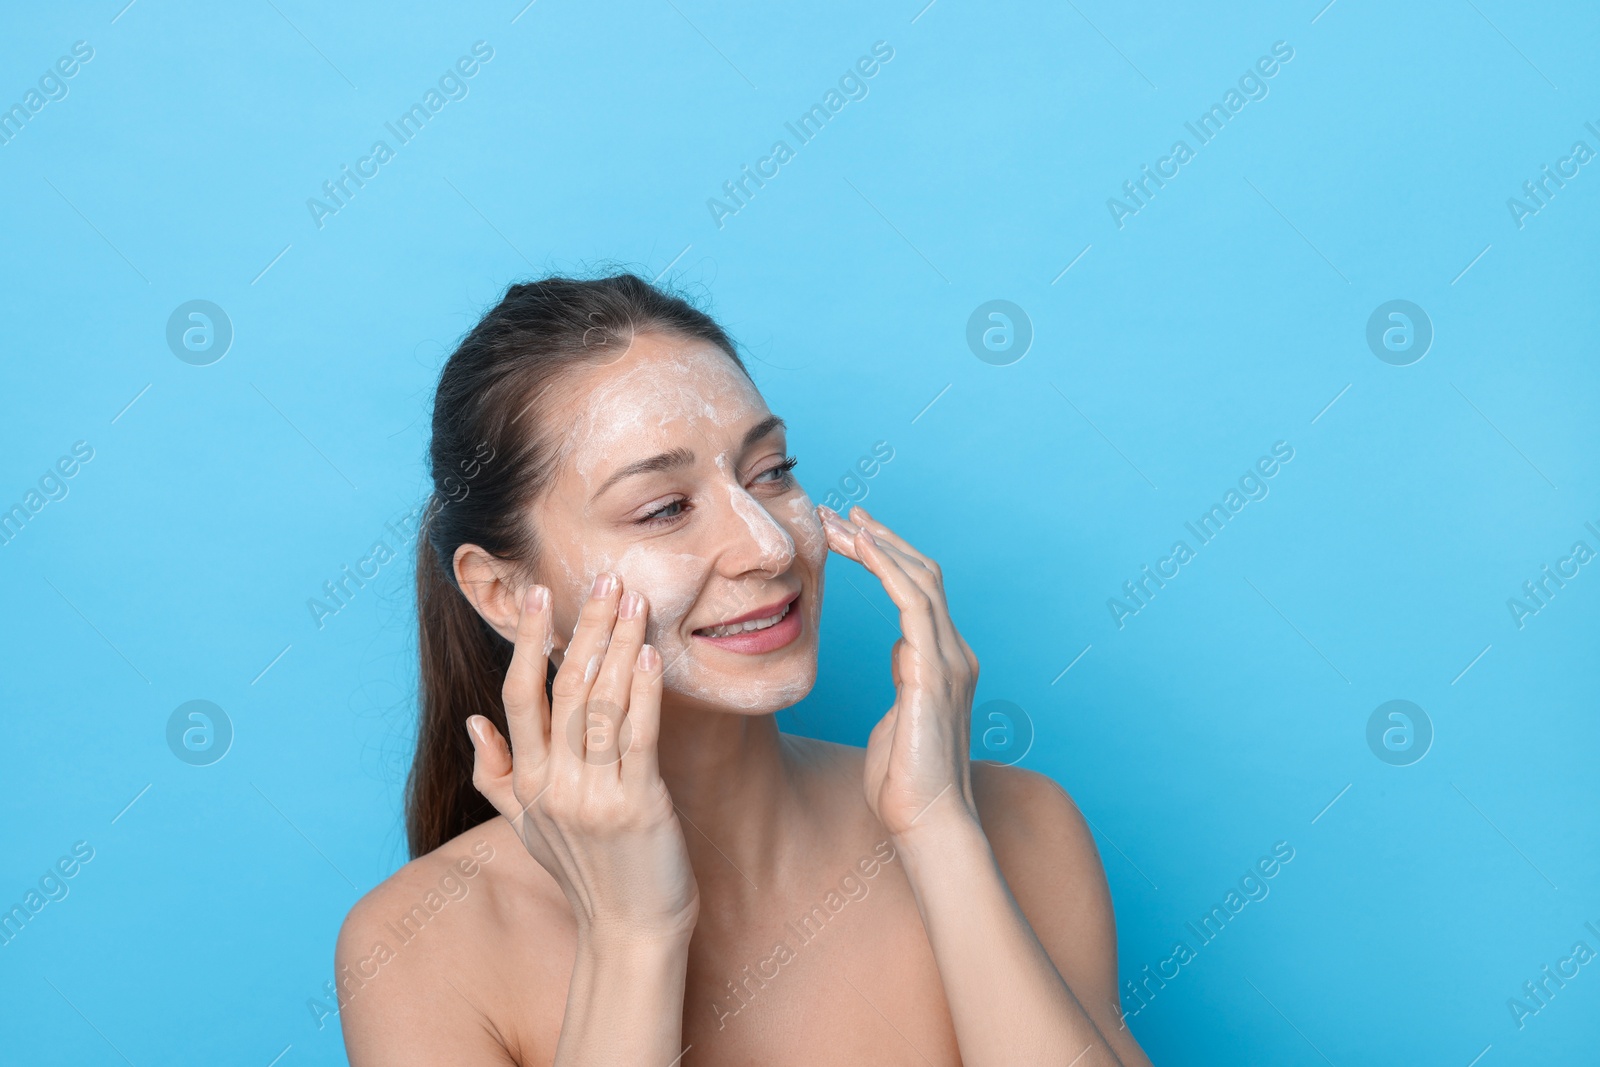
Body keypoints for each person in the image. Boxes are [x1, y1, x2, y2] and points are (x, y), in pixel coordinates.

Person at [336, 273, 1153, 1066]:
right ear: (507, 592)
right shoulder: (420, 946)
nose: (770, 543)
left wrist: (940, 833)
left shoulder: (1022, 827)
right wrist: (633, 936)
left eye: (772, 472)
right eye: (664, 508)